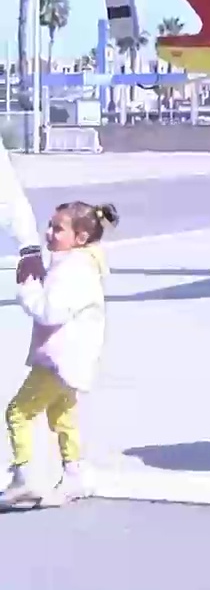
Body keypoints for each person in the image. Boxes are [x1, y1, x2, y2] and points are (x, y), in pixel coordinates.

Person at [3, 201, 118, 508]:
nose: (49, 232)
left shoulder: (73, 270)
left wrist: (27, 290)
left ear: (80, 237)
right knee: (62, 416)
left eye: (58, 228)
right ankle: (74, 472)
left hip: (57, 360)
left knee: (18, 412)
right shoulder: (79, 264)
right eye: (50, 225)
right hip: (71, 360)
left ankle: (24, 475)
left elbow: (50, 312)